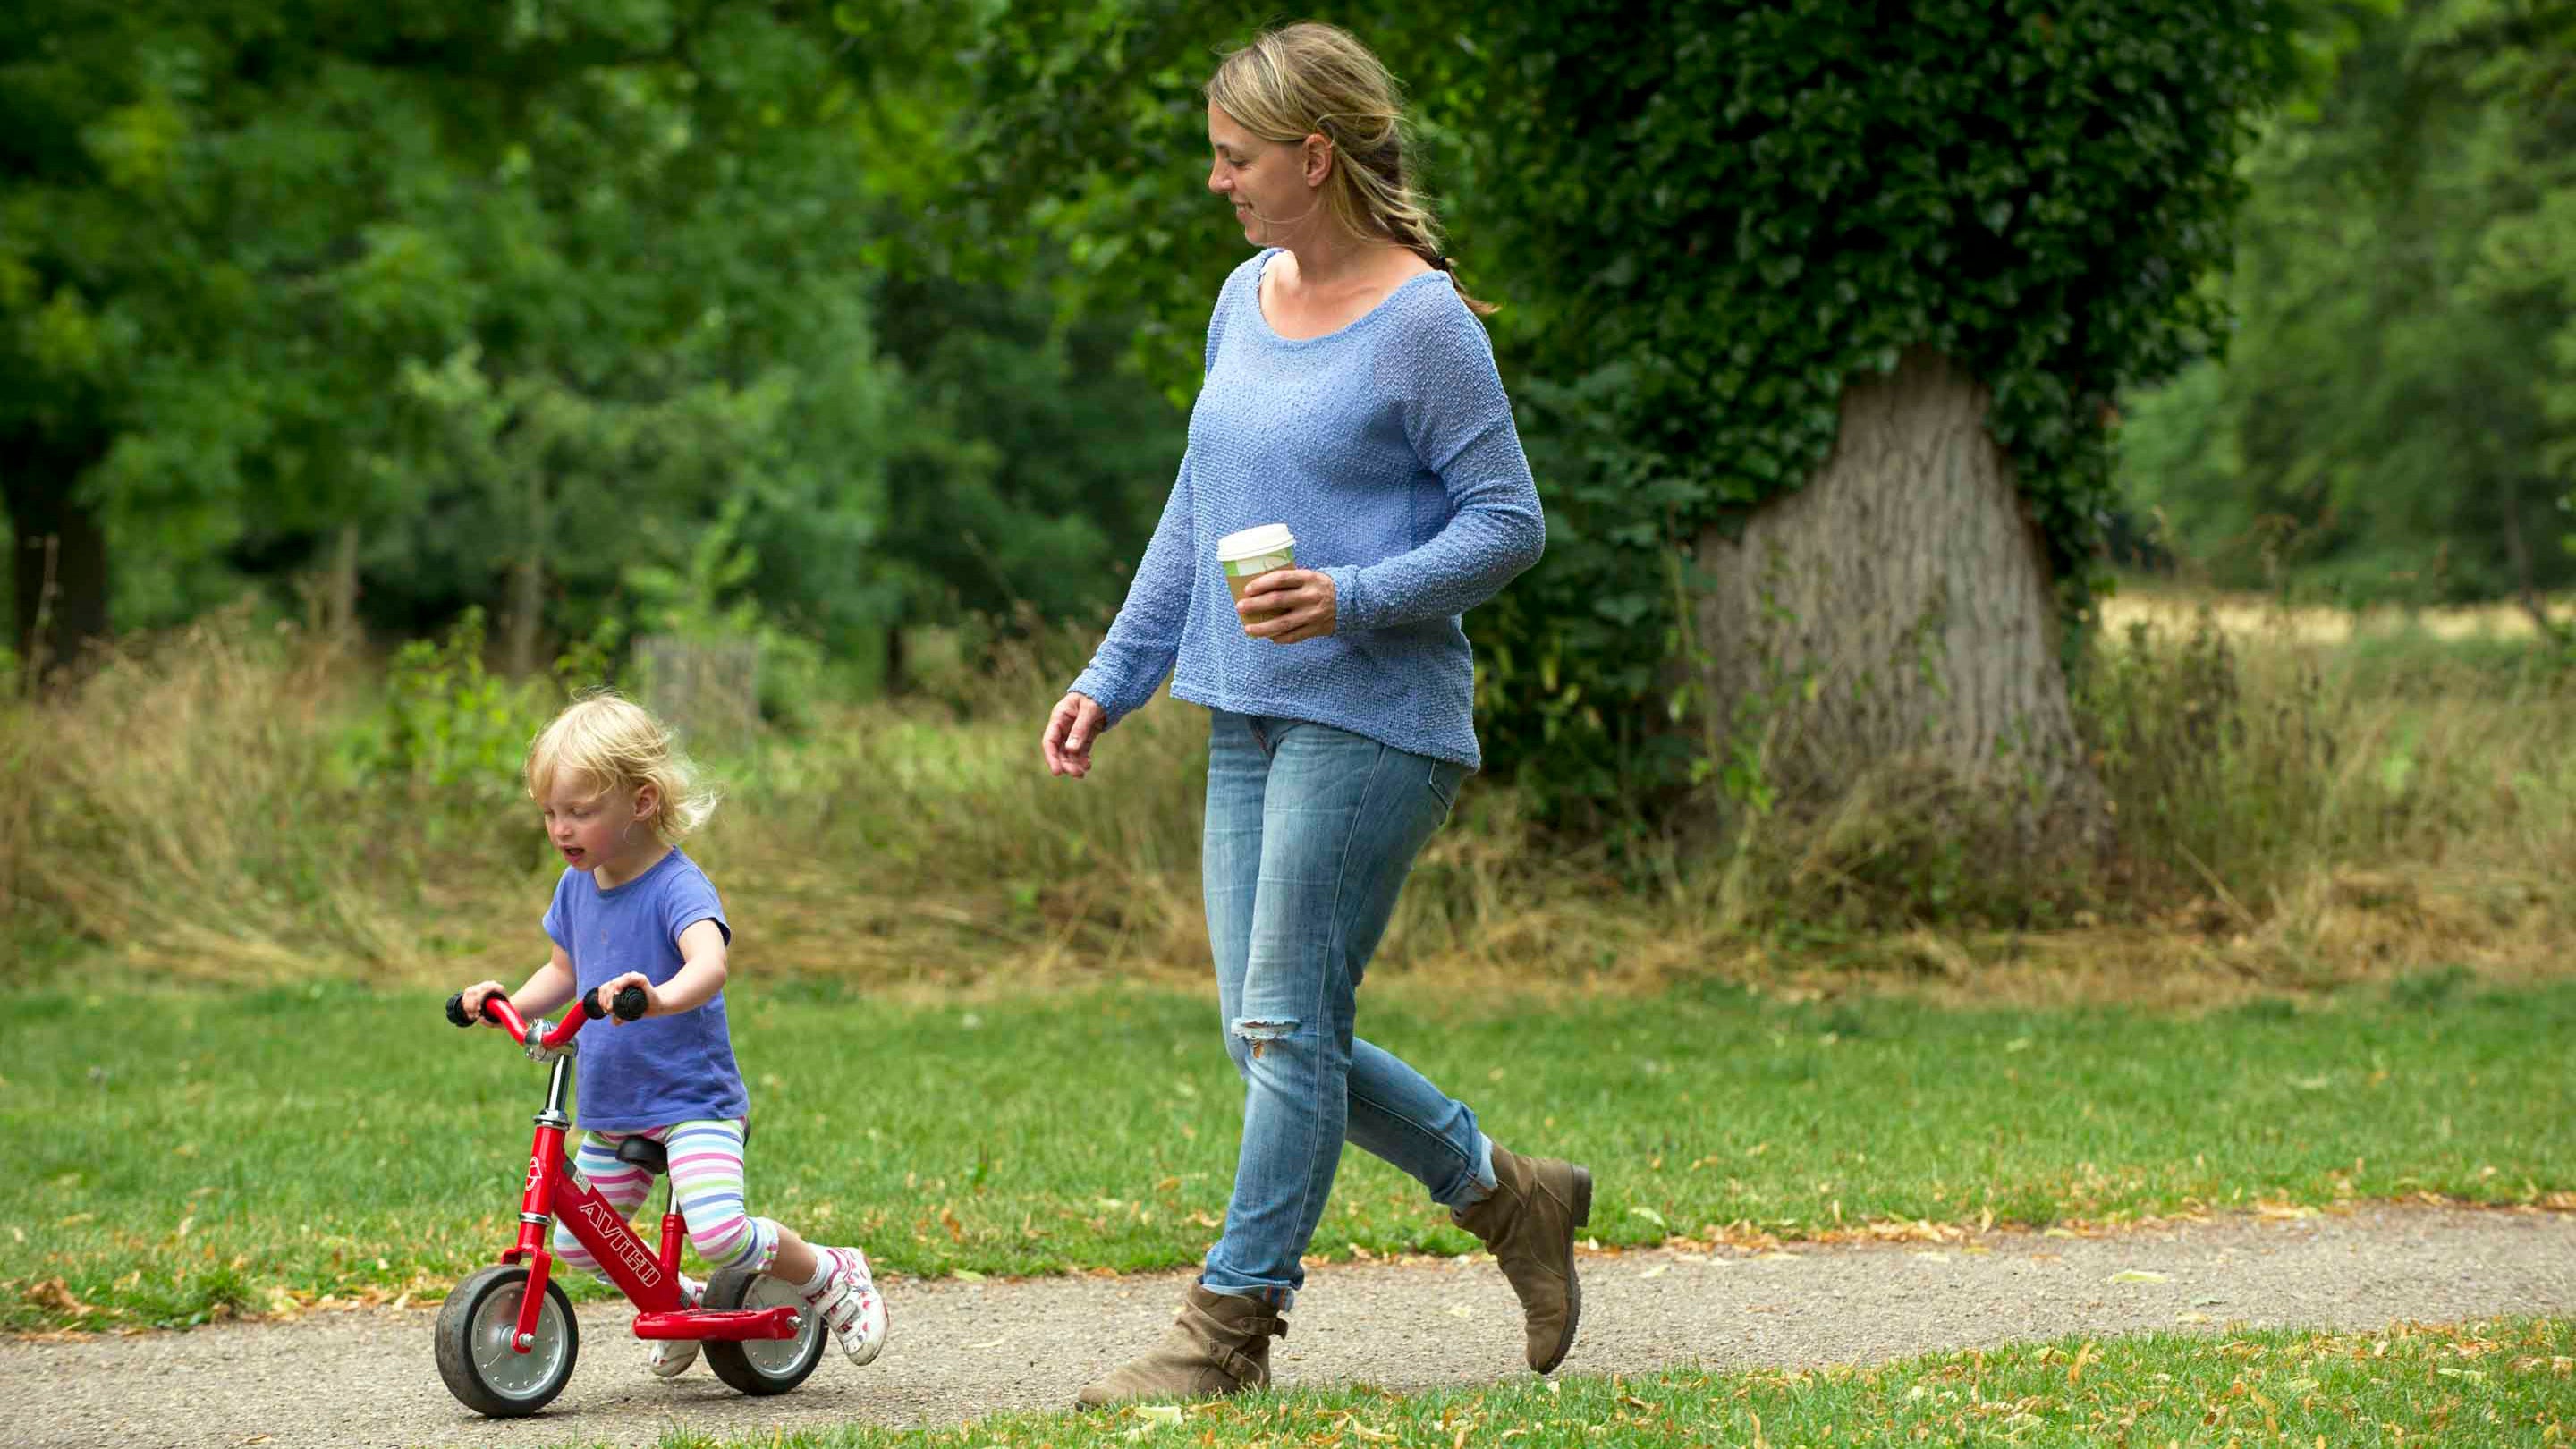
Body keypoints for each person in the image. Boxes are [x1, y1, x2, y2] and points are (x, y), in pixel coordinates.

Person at [1039, 21, 1589, 1409]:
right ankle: (1507, 1194)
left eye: (1235, 158)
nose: (1218, 181)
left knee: (1287, 1024)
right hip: (1246, 713)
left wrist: (1349, 596)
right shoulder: (1244, 296)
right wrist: (1115, 675)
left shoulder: (1425, 324)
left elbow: (1510, 526)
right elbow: (1196, 505)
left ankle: (1228, 1329)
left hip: (1378, 718)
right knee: (1269, 1030)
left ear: (1314, 155)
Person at [454, 691, 887, 1379]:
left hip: (694, 1103)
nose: (560, 828)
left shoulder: (677, 887)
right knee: (575, 1244)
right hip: (617, 1102)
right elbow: (562, 970)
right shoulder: (575, 887)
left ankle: (830, 1272)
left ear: (642, 801)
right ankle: (676, 1300)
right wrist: (506, 998)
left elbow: (709, 965)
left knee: (719, 1232)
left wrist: (656, 999)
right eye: (549, 813)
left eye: (580, 811)